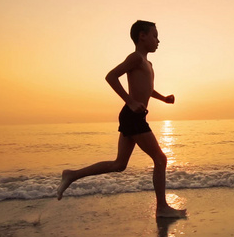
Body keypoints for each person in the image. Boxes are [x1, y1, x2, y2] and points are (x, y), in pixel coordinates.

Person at [57, 20, 186, 218]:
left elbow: (147, 89)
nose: (158, 40)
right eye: (154, 35)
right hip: (132, 115)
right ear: (142, 36)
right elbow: (111, 76)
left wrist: (164, 99)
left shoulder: (148, 63)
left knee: (119, 164)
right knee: (160, 159)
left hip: (132, 115)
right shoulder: (135, 58)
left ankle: (72, 175)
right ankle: (161, 208)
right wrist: (131, 101)